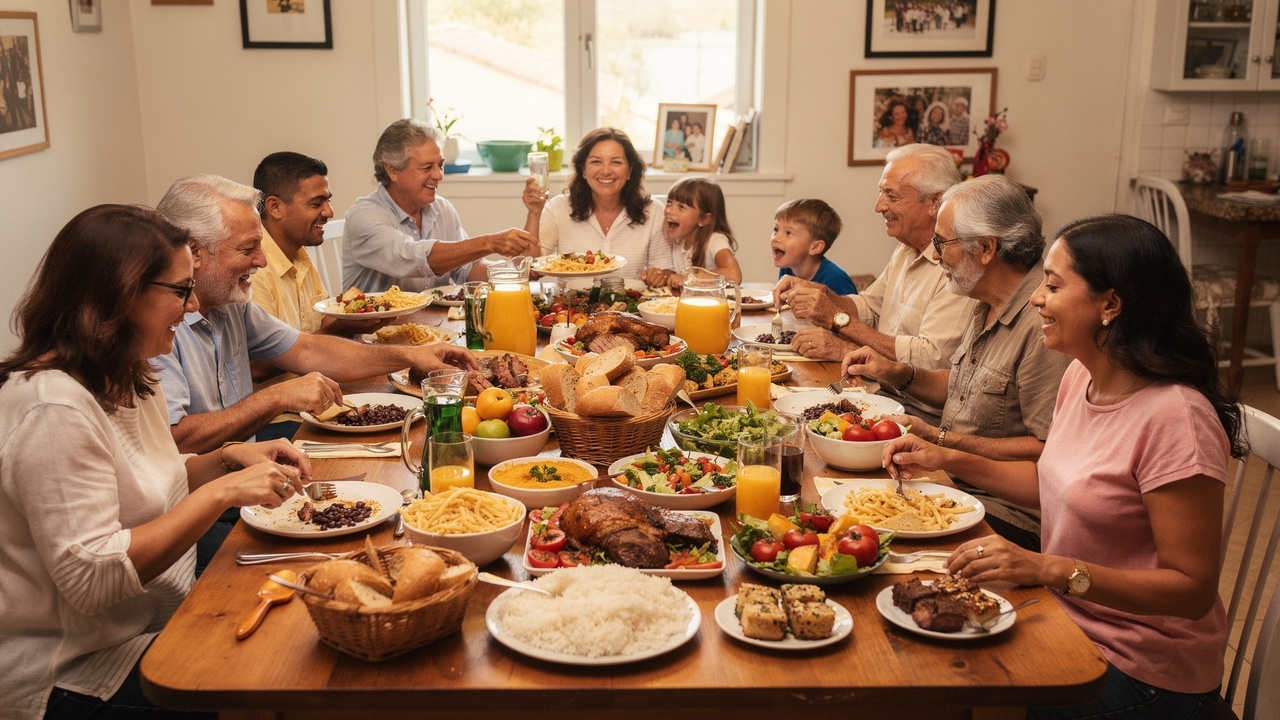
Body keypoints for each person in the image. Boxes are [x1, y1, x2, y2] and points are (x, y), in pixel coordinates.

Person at [882, 214, 1244, 720]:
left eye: (1052, 285)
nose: (1035, 298)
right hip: (1066, 617)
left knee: (936, 688)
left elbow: (1191, 588)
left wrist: (1046, 568)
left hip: (1139, 668)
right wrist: (946, 459)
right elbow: (1056, 482)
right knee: (909, 645)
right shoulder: (1081, 377)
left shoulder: (1176, 417)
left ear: (1110, 305)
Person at [0, 204, 313, 720]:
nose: (192, 308)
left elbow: (152, 486)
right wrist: (223, 493)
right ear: (122, 295)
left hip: (142, 626)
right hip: (71, 670)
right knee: (279, 687)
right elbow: (93, 577)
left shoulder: (128, 372)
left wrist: (227, 460)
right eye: (180, 291)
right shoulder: (52, 408)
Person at [153, 173, 478, 455]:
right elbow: (177, 441)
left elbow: (308, 349)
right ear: (193, 252)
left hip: (252, 476)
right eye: (248, 248)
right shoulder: (156, 328)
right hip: (210, 506)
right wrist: (277, 398)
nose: (262, 261)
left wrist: (413, 355)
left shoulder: (231, 304)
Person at [839, 175, 1071, 550]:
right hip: (952, 481)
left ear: (985, 248)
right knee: (844, 506)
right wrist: (900, 373)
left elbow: (1046, 449)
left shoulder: (1042, 324)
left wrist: (941, 440)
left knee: (869, 537)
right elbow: (971, 388)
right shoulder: (984, 298)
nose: (934, 255)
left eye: (941, 243)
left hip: (1007, 514)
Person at [775, 143, 973, 424]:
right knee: (781, 411)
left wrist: (840, 330)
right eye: (881, 192)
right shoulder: (906, 248)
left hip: (915, 414)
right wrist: (822, 292)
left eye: (891, 195)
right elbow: (869, 306)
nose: (879, 205)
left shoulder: (956, 264)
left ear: (934, 203)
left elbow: (931, 358)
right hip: (874, 391)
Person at [343, 118, 541, 292]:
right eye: (427, 167)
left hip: (433, 330)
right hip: (369, 333)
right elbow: (415, 259)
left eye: (440, 165)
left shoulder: (442, 209)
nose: (439, 175)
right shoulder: (364, 216)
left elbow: (468, 268)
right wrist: (490, 242)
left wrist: (513, 269)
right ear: (392, 170)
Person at [250, 151, 384, 339]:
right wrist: (340, 328)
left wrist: (356, 319)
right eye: (316, 204)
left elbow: (322, 321)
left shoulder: (299, 253)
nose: (329, 212)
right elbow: (263, 364)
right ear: (275, 207)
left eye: (328, 200)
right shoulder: (254, 272)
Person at [534, 127, 673, 283]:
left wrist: (658, 275)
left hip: (630, 303)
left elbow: (665, 269)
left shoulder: (653, 211)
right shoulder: (557, 208)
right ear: (583, 169)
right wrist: (533, 213)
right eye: (596, 162)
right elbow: (532, 267)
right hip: (569, 305)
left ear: (630, 170)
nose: (606, 171)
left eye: (616, 162)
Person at [651, 176, 742, 290]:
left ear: (704, 219)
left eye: (681, 207)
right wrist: (659, 276)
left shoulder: (715, 241)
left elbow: (734, 274)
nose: (669, 210)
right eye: (669, 202)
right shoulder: (678, 242)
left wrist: (691, 277)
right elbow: (675, 277)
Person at [772, 198, 858, 296]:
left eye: (788, 233)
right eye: (776, 229)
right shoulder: (787, 269)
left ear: (815, 247)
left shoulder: (836, 280)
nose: (776, 238)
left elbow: (847, 310)